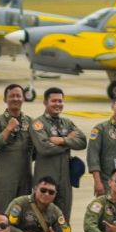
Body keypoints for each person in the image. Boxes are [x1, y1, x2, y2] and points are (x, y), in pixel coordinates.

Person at [29, 87, 87, 218]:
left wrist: (61, 140)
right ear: (45, 103)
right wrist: (69, 142)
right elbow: (44, 148)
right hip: (45, 179)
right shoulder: (38, 124)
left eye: (60, 101)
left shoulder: (67, 123)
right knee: (41, 216)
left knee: (63, 216)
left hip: (65, 179)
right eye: (54, 101)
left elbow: (83, 142)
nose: (57, 104)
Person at [0, 82, 34, 216]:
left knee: (23, 216)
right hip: (5, 178)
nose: (15, 99)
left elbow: (37, 151)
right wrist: (8, 129)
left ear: (23, 98)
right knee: (0, 214)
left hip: (25, 177)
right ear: (5, 99)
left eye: (18, 96)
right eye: (11, 96)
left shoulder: (31, 122)